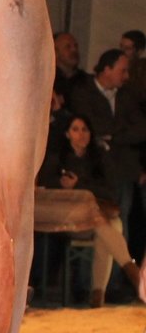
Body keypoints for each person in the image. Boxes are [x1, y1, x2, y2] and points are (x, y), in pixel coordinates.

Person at [37, 114, 141, 306]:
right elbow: (43, 185)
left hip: (96, 218)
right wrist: (63, 184)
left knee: (113, 226)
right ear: (67, 134)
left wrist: (80, 184)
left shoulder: (99, 158)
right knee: (112, 226)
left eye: (85, 129)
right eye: (75, 129)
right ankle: (129, 271)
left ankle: (97, 296)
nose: (81, 134)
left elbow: (109, 191)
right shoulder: (57, 157)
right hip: (66, 219)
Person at [67, 49, 146, 251]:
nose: (126, 76)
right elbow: (92, 127)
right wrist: (116, 131)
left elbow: (141, 128)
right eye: (123, 71)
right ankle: (92, 277)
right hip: (96, 167)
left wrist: (114, 137)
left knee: (122, 217)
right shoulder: (84, 92)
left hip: (124, 168)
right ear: (107, 69)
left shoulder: (127, 95)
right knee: (98, 218)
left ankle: (118, 276)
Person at [53, 31, 86, 99]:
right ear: (55, 52)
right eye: (68, 47)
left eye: (76, 46)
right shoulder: (49, 80)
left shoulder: (85, 81)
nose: (74, 50)